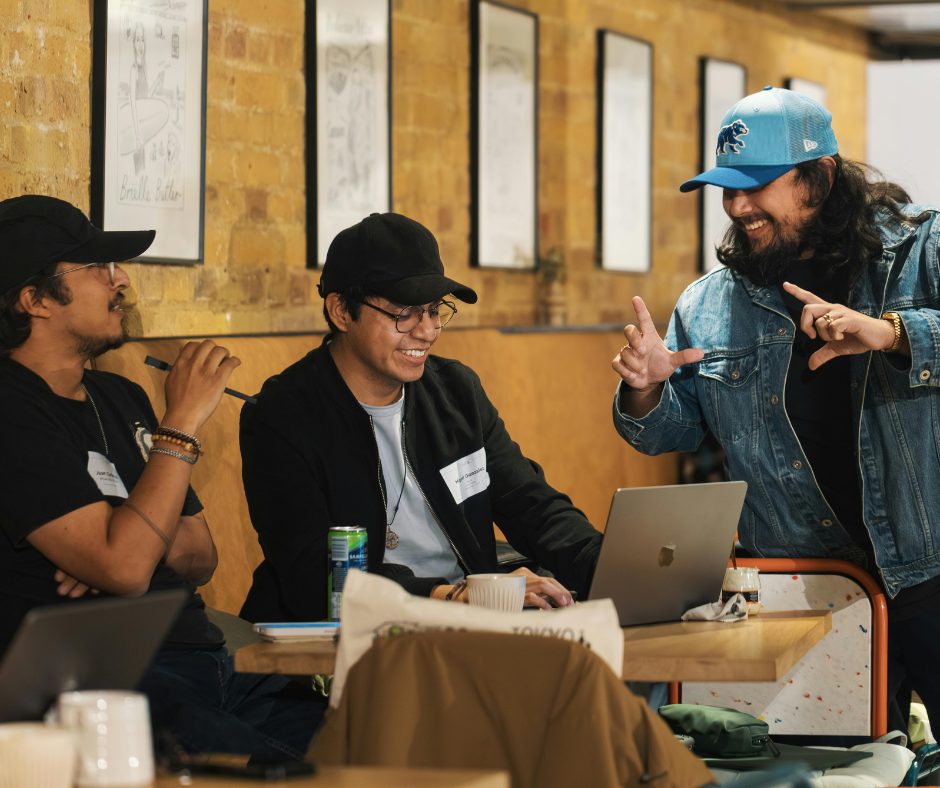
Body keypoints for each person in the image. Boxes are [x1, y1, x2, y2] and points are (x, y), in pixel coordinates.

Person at [611, 87, 940, 730]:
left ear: (819, 178)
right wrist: (646, 389)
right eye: (726, 190)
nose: (737, 206)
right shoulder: (709, 304)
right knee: (837, 772)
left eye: (756, 186)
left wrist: (894, 334)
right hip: (807, 591)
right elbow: (671, 429)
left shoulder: (919, 251)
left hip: (930, 578)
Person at [0, 196, 324, 759]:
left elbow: (200, 556)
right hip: (113, 683)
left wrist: (126, 533)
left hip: (207, 659)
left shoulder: (119, 395)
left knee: (369, 730)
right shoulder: (11, 407)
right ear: (34, 299)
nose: (119, 281)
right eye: (97, 269)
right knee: (287, 772)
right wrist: (179, 424)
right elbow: (125, 568)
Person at [239, 212, 602, 623]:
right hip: (355, 638)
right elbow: (312, 573)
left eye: (434, 310)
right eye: (404, 313)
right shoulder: (284, 415)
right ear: (341, 311)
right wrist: (455, 597)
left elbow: (530, 505)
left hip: (468, 620)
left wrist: (611, 568)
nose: (427, 331)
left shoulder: (455, 392)